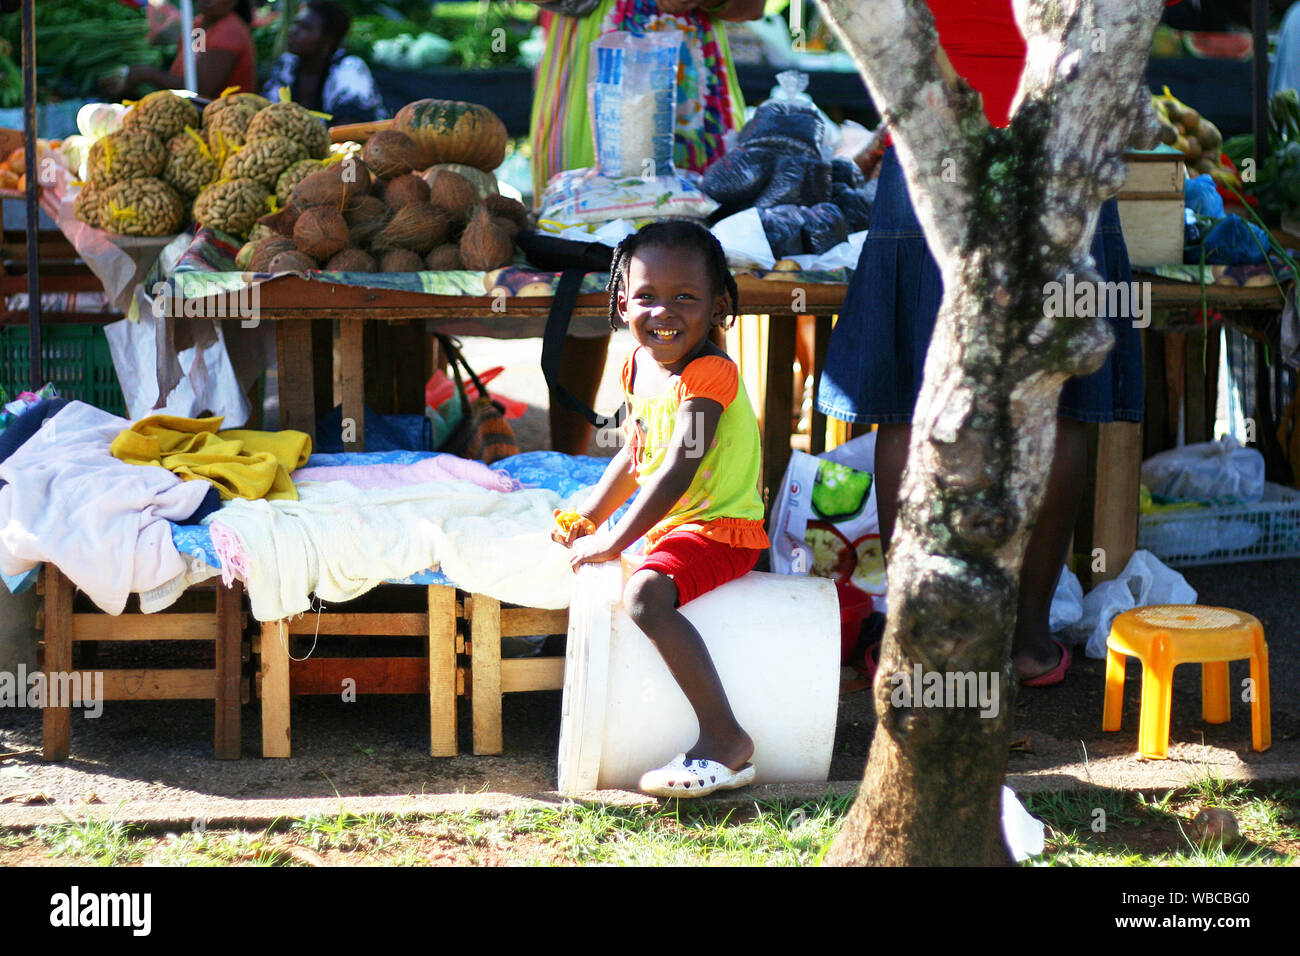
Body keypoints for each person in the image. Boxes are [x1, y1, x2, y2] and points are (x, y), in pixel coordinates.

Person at [817, 0, 1144, 687]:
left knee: (911, 395)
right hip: (1065, 131)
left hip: (933, 123)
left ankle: (921, 638)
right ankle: (1027, 639)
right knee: (1060, 395)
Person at [552, 220, 768, 797]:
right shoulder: (636, 366)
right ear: (622, 303)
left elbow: (677, 466)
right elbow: (638, 450)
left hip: (720, 530)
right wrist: (591, 516)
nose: (663, 312)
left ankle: (726, 740)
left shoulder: (711, 373)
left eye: (685, 298)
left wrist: (615, 540)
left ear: (720, 305)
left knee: (645, 596)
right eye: (646, 296)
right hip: (675, 526)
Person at [529, 0, 766, 457]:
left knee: (697, 274)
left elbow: (751, 6)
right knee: (584, 281)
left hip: (695, 88)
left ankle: (707, 468)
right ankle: (567, 465)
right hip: (597, 79)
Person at [262, 0, 387, 125]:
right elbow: (268, 113)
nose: (294, 31)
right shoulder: (287, 64)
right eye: (296, 24)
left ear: (328, 39)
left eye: (305, 28)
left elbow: (349, 127)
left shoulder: (350, 68)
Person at [119, 0, 257, 99]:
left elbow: (200, 90)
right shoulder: (200, 24)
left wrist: (149, 74)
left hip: (222, 120)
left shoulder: (229, 31)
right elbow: (194, 61)